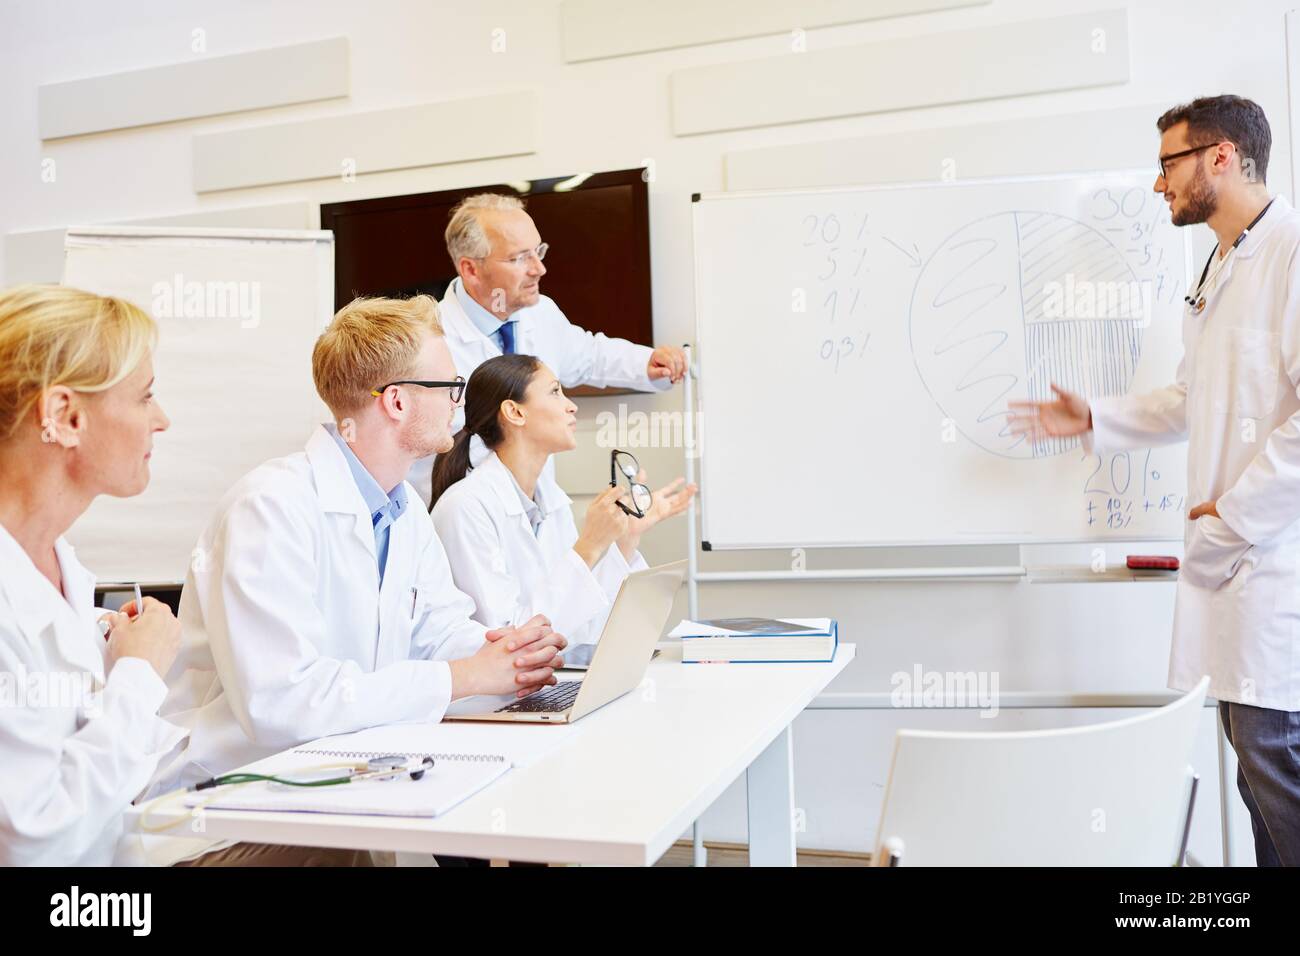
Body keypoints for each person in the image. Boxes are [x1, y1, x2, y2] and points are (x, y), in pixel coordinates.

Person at [145, 296, 567, 862]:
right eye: (449, 386)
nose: (457, 403)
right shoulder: (271, 506)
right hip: (235, 802)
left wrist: (508, 656)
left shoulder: (404, 511)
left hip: (338, 782)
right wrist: (463, 676)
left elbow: (440, 633)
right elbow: (281, 704)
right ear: (396, 400)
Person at [1009, 95, 1300, 866]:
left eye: (1169, 163)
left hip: (1271, 560)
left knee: (1278, 770)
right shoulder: (1223, 260)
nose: (1157, 184)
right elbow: (1190, 398)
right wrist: (1097, 417)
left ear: (1221, 157)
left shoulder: (1293, 251)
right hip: (1237, 563)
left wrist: (1234, 516)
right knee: (1257, 773)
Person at [0, 284, 185, 865]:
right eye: (144, 397)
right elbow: (36, 837)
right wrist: (136, 674)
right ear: (64, 416)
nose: (162, 420)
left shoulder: (62, 564)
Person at [408, 192, 688, 503]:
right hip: (460, 521)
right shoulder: (426, 341)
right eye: (518, 258)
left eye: (538, 251)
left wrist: (647, 363)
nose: (539, 269)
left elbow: (589, 355)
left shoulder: (540, 313)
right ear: (471, 269)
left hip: (534, 509)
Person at [429, 355, 695, 645]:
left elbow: (584, 629)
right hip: (493, 688)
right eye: (555, 391)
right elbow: (507, 640)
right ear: (515, 412)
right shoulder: (465, 508)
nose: (572, 405)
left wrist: (625, 538)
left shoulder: (551, 505)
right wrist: (589, 546)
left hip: (545, 679)